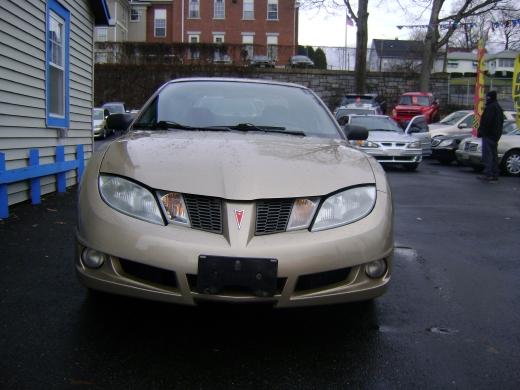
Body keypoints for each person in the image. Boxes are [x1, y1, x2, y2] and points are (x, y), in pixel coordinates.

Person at [477, 90, 503, 182]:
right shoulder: (498, 107)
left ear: (489, 97)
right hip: (495, 135)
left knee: (488, 156)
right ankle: (495, 174)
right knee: (494, 155)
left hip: (488, 135)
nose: (485, 98)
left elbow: (487, 122)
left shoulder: (490, 107)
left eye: (487, 96)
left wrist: (481, 132)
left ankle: (488, 174)